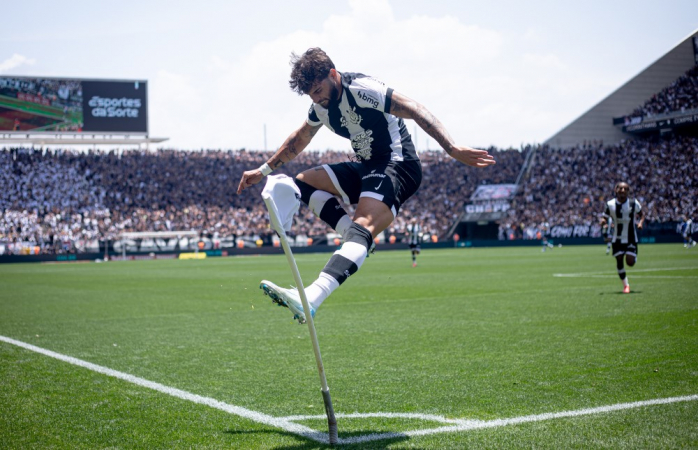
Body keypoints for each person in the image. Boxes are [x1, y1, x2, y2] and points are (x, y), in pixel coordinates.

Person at [237, 47, 496, 323]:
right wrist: (263, 170)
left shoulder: (362, 89)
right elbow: (297, 141)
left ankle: (312, 296)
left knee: (363, 227)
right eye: (310, 94)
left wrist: (452, 148)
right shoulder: (320, 109)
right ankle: (357, 239)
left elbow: (415, 109)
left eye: (318, 89)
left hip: (398, 164)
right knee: (304, 183)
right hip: (367, 167)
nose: (316, 98)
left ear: (333, 74)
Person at [600, 182, 645, 294]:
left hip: (631, 237)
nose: (623, 191)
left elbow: (642, 214)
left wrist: (640, 223)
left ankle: (633, 257)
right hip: (617, 238)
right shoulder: (610, 204)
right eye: (620, 188)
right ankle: (626, 285)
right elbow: (604, 217)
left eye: (625, 189)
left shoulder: (634, 203)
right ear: (616, 190)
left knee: (629, 262)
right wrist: (603, 222)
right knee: (619, 260)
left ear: (628, 191)